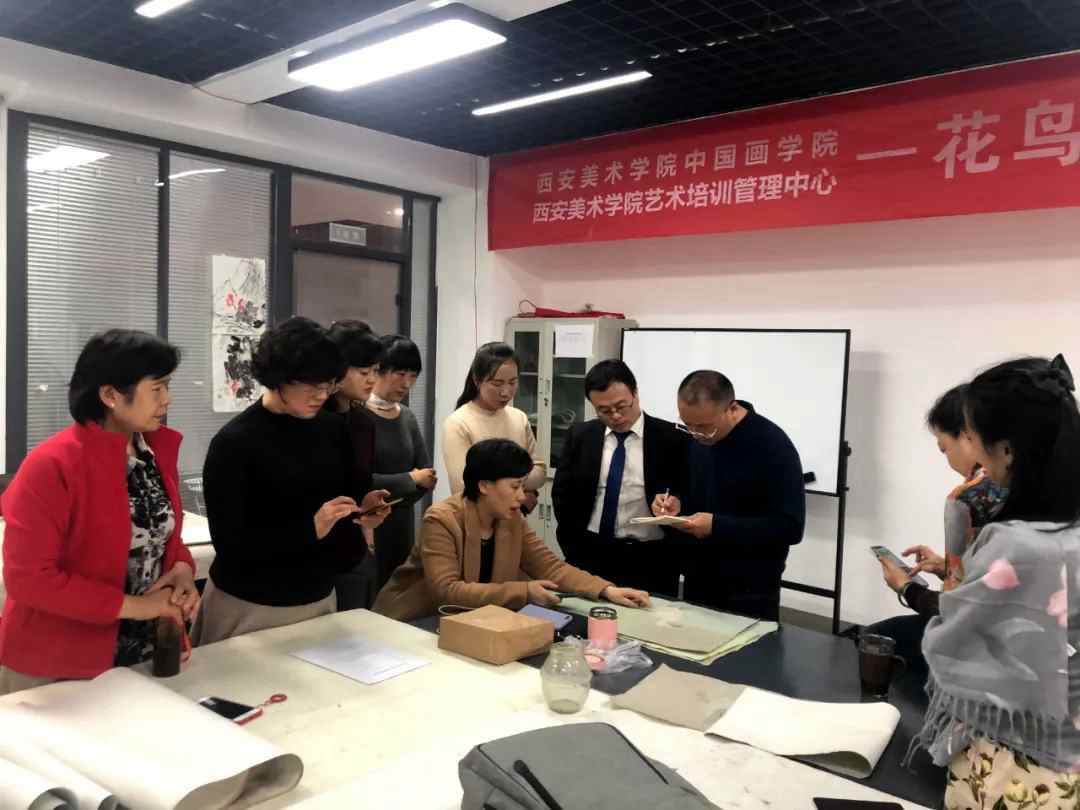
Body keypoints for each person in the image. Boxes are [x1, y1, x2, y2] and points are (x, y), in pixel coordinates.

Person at [882, 355, 1080, 808]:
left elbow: (958, 635)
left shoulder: (1010, 538)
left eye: (971, 436)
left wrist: (908, 589)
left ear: (1005, 449)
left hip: (1021, 758)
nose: (967, 451)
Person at [0, 330, 198, 695]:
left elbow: (157, 533)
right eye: (157, 389)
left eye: (167, 387)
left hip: (144, 653)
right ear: (110, 396)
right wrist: (141, 606)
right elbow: (29, 580)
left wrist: (183, 568)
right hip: (59, 664)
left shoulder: (152, 452)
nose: (167, 400)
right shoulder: (52, 465)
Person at [193, 317, 390, 645]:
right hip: (250, 603)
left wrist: (360, 513)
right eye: (312, 386)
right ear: (279, 378)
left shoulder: (333, 430)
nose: (322, 395)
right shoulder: (235, 442)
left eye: (328, 385)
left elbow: (338, 504)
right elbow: (231, 544)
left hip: (316, 596)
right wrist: (311, 528)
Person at [374, 439, 650, 622]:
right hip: (415, 622)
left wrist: (606, 590)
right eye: (515, 486)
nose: (521, 496)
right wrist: (523, 591)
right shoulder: (441, 520)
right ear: (484, 485)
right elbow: (447, 591)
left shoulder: (510, 517)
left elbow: (550, 567)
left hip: (474, 622)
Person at [870, 384, 1006, 668]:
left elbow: (955, 612)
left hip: (980, 648)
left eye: (944, 448)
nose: (948, 461)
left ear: (969, 436)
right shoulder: (1043, 491)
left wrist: (905, 587)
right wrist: (949, 567)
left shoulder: (966, 498)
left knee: (874, 639)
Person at [653, 370, 805, 620]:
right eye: (687, 424)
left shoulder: (773, 445)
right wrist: (677, 503)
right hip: (698, 577)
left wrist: (716, 525)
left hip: (749, 587)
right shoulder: (699, 438)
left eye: (704, 427)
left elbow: (790, 527)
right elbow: (695, 491)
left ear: (731, 409)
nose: (696, 434)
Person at [552, 360, 687, 596]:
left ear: (635, 394)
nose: (615, 416)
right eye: (604, 411)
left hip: (650, 557)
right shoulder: (581, 436)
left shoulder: (674, 439)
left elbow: (689, 491)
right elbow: (563, 495)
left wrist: (676, 502)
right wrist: (573, 547)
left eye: (621, 406)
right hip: (590, 553)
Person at [364, 334, 437, 591]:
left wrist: (412, 484)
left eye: (413, 376)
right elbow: (360, 481)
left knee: (396, 595)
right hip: (367, 523)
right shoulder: (358, 415)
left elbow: (427, 476)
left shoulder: (406, 416)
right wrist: (409, 480)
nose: (407, 383)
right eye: (400, 374)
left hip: (402, 522)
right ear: (379, 370)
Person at [442, 343, 546, 513]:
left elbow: (540, 472)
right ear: (477, 381)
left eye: (512, 382)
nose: (506, 392)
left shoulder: (519, 418)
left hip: (515, 520)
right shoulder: (459, 423)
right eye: (497, 384)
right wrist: (520, 489)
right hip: (476, 519)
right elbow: (464, 486)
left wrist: (503, 484)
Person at [324, 319, 384, 609]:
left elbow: (360, 487)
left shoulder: (364, 423)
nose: (372, 380)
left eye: (375, 371)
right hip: (314, 554)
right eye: (363, 372)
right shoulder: (313, 422)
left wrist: (368, 508)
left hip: (354, 550)